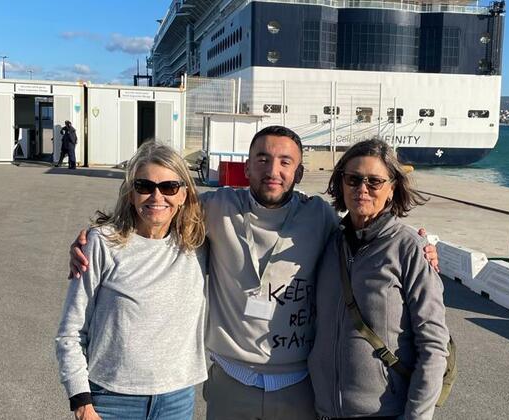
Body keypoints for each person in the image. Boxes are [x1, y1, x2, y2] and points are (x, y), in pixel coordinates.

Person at [69, 126, 439, 420]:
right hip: (232, 382)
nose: (272, 170)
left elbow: (373, 234)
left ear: (299, 171)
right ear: (246, 166)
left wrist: (423, 247)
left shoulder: (322, 219)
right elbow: (159, 206)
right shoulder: (214, 207)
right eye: (262, 159)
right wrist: (95, 235)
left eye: (284, 161)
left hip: (299, 387)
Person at [55, 141, 207, 420]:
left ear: (184, 194)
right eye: (144, 186)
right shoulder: (102, 244)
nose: (157, 196)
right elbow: (71, 331)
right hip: (110, 401)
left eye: (170, 187)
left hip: (177, 400)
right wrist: (81, 402)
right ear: (130, 194)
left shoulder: (197, 244)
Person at [308, 138, 449, 419]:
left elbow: (433, 346)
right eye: (353, 179)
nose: (362, 189)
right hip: (323, 411)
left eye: (374, 182)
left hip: (383, 412)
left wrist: (416, 416)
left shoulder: (410, 248)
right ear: (341, 183)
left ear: (392, 188)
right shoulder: (329, 241)